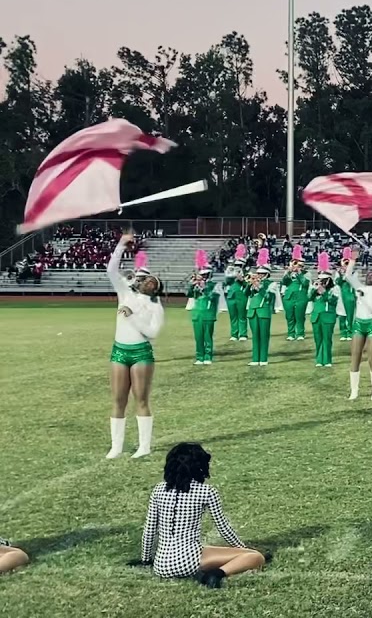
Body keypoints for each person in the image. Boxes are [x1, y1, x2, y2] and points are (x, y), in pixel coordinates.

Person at [139, 442, 265, 588]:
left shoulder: (159, 489)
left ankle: (212, 570)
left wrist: (146, 559)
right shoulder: (206, 491)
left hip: (161, 564)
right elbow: (223, 527)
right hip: (190, 559)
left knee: (211, 550)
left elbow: (149, 529)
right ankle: (216, 574)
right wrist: (243, 549)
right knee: (255, 557)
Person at [106, 233, 165, 459]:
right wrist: (121, 244)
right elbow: (112, 270)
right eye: (140, 279)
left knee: (141, 399)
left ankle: (144, 446)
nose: (142, 281)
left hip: (141, 353)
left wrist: (132, 317)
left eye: (148, 280)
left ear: (155, 287)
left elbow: (153, 332)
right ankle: (116, 446)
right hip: (119, 350)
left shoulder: (155, 307)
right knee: (118, 399)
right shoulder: (125, 293)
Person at [346, 255, 372, 400]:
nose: (370, 275)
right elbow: (348, 276)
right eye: (369, 274)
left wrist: (362, 297)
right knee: (355, 357)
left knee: (371, 358)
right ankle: (354, 391)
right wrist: (352, 259)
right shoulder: (360, 287)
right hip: (358, 324)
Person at [186, 250, 219, 366]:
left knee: (207, 337)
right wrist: (192, 285)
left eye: (205, 275)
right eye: (202, 274)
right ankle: (199, 356)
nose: (203, 277)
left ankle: (208, 356)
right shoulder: (197, 284)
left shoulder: (215, 285)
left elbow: (213, 298)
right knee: (198, 337)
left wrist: (204, 288)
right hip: (197, 314)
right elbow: (189, 295)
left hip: (208, 314)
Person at [245, 249, 276, 367]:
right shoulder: (252, 282)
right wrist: (249, 284)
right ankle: (255, 358)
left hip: (264, 311)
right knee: (255, 336)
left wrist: (260, 288)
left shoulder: (271, 284)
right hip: (252, 311)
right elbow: (246, 294)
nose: (259, 276)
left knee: (264, 335)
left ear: (267, 274)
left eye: (262, 274)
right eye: (258, 274)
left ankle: (263, 358)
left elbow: (269, 298)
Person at [309, 253, 339, 368]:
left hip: (328, 316)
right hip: (316, 316)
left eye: (324, 280)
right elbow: (309, 298)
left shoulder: (334, 288)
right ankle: (319, 359)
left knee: (327, 339)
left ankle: (327, 360)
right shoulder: (315, 287)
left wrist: (324, 292)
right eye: (320, 280)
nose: (321, 282)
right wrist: (314, 290)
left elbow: (333, 301)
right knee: (318, 339)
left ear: (328, 279)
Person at [281, 246, 309, 342]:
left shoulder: (306, 273)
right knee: (289, 316)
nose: (295, 265)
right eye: (294, 263)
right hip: (289, 297)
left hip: (301, 297)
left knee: (300, 316)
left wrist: (299, 273)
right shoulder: (289, 272)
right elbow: (284, 282)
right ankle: (291, 334)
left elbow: (305, 283)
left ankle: (300, 333)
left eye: (297, 264)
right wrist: (288, 272)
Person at [223, 245, 249, 342]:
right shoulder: (231, 272)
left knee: (242, 316)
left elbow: (248, 284)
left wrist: (242, 280)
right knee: (233, 316)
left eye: (240, 265)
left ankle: (243, 334)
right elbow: (225, 283)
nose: (238, 267)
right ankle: (234, 334)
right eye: (236, 265)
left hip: (242, 296)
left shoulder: (247, 273)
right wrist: (228, 274)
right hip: (231, 296)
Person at [335, 247, 358, 342]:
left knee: (350, 315)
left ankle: (350, 332)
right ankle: (343, 332)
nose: (346, 265)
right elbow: (337, 282)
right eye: (344, 263)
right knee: (341, 315)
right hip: (341, 296)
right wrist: (341, 275)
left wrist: (348, 274)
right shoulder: (338, 273)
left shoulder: (354, 273)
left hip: (350, 296)